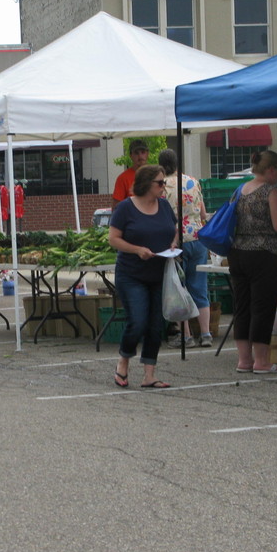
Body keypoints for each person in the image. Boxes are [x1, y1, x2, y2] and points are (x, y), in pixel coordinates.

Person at [229, 150, 277, 374]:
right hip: (265, 254)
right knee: (263, 307)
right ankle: (261, 361)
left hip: (238, 253)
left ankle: (244, 360)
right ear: (270, 170)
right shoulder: (271, 191)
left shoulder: (240, 190)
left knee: (242, 307)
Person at [108, 164, 178, 389]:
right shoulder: (126, 208)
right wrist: (137, 249)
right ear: (146, 184)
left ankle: (149, 374)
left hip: (160, 273)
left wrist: (173, 245)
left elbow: (173, 229)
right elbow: (113, 239)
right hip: (132, 274)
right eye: (160, 183)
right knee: (137, 321)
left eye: (164, 182)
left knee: (156, 325)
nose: (163, 186)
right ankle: (123, 361)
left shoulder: (165, 206)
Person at [158, 148, 212, 349]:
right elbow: (203, 213)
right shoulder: (192, 181)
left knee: (179, 289)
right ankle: (206, 333)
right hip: (198, 238)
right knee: (199, 288)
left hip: (175, 241)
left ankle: (186, 336)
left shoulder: (162, 187)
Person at [112, 139, 150, 206]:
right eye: (136, 153)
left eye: (143, 152)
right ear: (131, 156)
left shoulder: (155, 175)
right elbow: (116, 208)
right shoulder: (123, 178)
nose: (140, 156)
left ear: (147, 154)